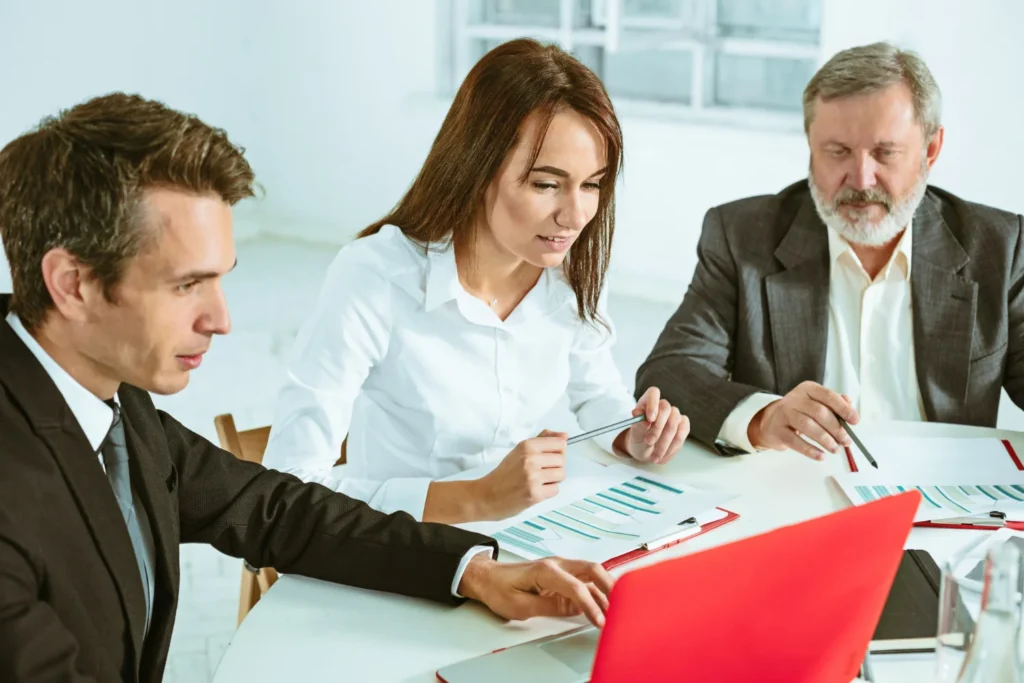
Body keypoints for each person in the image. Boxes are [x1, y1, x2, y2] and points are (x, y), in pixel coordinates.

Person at [0, 93, 615, 683]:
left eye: (220, 281)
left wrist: (474, 572)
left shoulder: (110, 402)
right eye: (186, 285)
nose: (222, 320)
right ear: (73, 285)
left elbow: (278, 509)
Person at [262, 39, 691, 524]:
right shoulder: (376, 277)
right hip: (397, 543)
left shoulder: (568, 271)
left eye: (592, 184)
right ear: (476, 168)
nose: (576, 216)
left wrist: (628, 433)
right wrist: (478, 498)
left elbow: (595, 391)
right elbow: (289, 487)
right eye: (546, 184)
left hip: (523, 532)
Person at [636, 41, 1024, 461]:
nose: (860, 178)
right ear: (810, 145)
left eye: (884, 152)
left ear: (930, 149)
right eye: (837, 151)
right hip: (797, 498)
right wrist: (762, 418)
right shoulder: (743, 236)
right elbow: (670, 372)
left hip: (945, 509)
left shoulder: (998, 246)